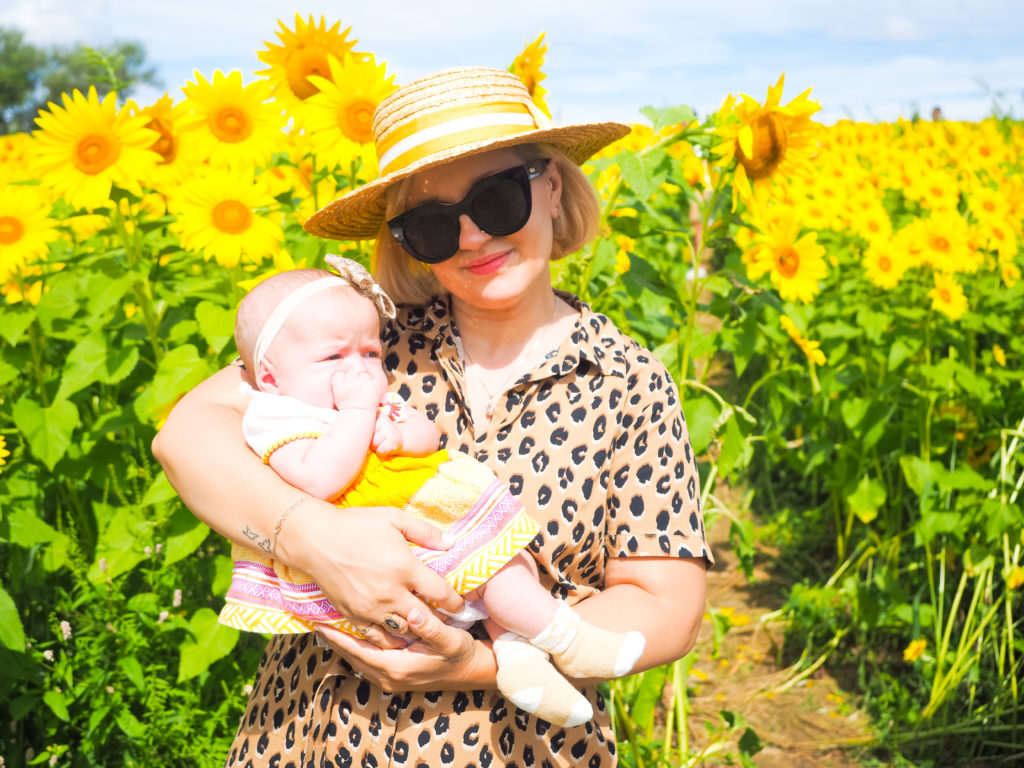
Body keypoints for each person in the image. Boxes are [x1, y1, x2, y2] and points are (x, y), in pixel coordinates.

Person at [153, 65, 712, 767]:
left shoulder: (626, 379)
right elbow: (187, 433)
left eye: (498, 199)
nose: (473, 237)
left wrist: (475, 665)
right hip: (316, 732)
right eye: (433, 224)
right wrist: (316, 539)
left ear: (554, 188)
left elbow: (667, 607)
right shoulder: (361, 341)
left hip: (520, 744)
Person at [222, 257, 645, 727]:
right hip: (384, 559)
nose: (359, 369)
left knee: (515, 559)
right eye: (333, 357)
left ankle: (518, 660)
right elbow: (320, 478)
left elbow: (430, 437)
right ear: (271, 376)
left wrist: (401, 434)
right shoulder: (279, 416)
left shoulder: (365, 398)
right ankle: (570, 641)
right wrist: (359, 415)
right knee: (500, 578)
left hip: (427, 524)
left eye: (370, 354)